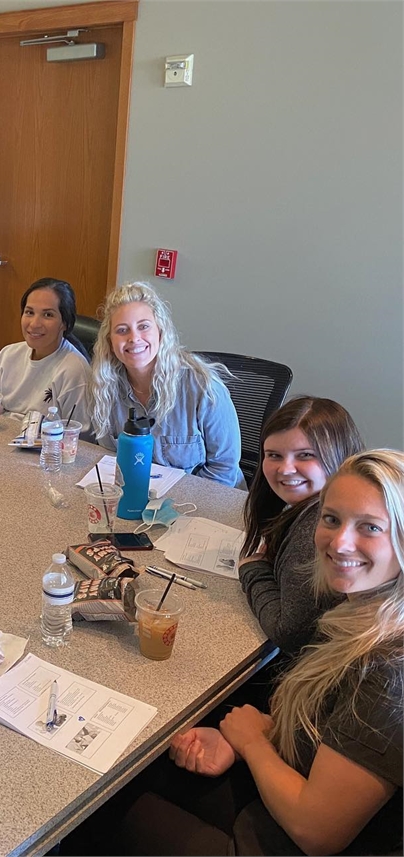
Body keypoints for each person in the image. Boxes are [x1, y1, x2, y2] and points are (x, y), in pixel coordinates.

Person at [69, 449, 404, 857]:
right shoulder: (361, 610)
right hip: (286, 786)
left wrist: (252, 744)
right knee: (140, 772)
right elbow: (328, 737)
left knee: (98, 815)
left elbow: (317, 833)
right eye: (331, 519)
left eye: (370, 527)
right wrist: (254, 737)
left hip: (294, 839)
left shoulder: (387, 669)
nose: (339, 541)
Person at [239, 397, 364, 656]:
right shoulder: (328, 505)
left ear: (340, 457)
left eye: (305, 455)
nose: (285, 469)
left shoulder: (319, 526)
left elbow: (290, 634)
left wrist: (253, 571)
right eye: (274, 455)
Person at [87, 281, 243, 487]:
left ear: (161, 332)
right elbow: (109, 459)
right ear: (110, 341)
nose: (134, 338)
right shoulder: (104, 386)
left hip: (203, 503)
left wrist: (171, 507)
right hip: (136, 498)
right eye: (122, 330)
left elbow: (224, 469)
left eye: (143, 326)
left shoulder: (203, 386)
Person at [0, 277, 91, 421]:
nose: (34, 324)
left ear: (65, 323)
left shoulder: (74, 371)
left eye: (48, 315)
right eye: (29, 312)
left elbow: (79, 437)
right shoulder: (8, 354)